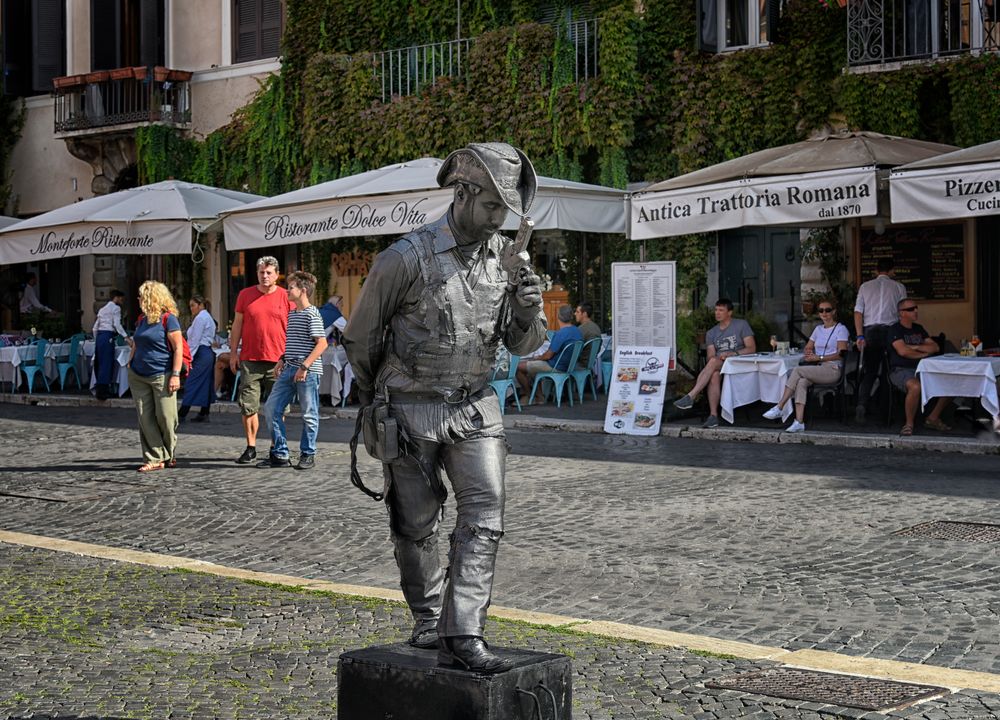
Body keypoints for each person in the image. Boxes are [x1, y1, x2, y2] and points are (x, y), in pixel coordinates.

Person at [343, 141, 547, 674]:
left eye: (506, 211)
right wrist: (372, 403)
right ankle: (429, 618)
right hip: (409, 408)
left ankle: (465, 631)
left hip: (476, 406)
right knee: (415, 525)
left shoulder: (506, 262)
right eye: (492, 208)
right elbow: (362, 338)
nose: (499, 221)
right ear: (463, 194)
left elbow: (523, 346)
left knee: (485, 515)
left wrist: (526, 313)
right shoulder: (403, 259)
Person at [258, 271, 327, 470]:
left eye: (291, 288)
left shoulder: (312, 313)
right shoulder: (293, 313)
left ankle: (308, 453)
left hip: (307, 371)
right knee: (271, 408)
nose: (287, 291)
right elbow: (295, 343)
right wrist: (282, 359)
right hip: (289, 368)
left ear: (303, 291)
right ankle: (280, 454)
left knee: (309, 413)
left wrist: (304, 367)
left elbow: (321, 344)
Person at [229, 256, 294, 464]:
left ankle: (276, 447)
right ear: (257, 273)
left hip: (279, 360)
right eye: (261, 272)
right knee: (248, 405)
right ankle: (251, 447)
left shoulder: (286, 296)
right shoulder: (245, 295)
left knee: (278, 407)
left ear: (277, 275)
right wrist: (233, 352)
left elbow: (294, 327)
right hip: (250, 358)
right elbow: (237, 325)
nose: (264, 276)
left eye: (269, 273)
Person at [762, 298, 850, 433]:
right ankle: (799, 422)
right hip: (819, 368)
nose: (824, 313)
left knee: (797, 370)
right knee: (802, 382)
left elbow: (841, 354)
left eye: (827, 310)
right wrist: (809, 352)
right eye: (821, 310)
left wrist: (819, 357)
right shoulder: (818, 329)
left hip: (833, 368)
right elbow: (808, 347)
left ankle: (780, 406)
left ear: (834, 312)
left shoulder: (841, 329)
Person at [127, 281, 184, 472]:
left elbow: (178, 348)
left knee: (166, 417)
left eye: (142, 296)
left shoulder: (169, 319)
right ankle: (154, 457)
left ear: (152, 298)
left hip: (162, 374)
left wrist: (175, 375)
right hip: (138, 374)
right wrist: (130, 360)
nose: (138, 299)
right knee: (145, 418)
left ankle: (169, 452)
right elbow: (137, 341)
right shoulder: (142, 319)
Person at [674, 298, 756, 428]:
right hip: (720, 363)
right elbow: (711, 356)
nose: (717, 313)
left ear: (729, 313)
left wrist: (731, 354)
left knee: (713, 366)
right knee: (714, 375)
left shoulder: (741, 325)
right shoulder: (711, 333)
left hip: (738, 363)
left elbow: (751, 348)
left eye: (721, 310)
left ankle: (691, 395)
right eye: (716, 310)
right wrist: (719, 358)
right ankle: (713, 416)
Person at [887, 298, 951, 436]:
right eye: (910, 309)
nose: (915, 311)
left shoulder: (919, 328)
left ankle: (933, 418)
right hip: (900, 369)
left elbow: (935, 346)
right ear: (901, 313)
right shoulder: (895, 329)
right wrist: (923, 354)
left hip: (923, 369)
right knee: (915, 387)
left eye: (916, 308)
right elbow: (903, 351)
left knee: (949, 383)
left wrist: (915, 346)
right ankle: (909, 424)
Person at [854, 257, 907, 422]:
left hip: (870, 332)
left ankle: (862, 404)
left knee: (869, 372)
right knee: (887, 372)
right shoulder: (899, 287)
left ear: (876, 271)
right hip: (891, 332)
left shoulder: (865, 287)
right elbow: (903, 312)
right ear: (892, 271)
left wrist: (859, 335)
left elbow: (858, 313)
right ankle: (885, 413)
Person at [515, 304, 582, 399]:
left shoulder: (560, 334)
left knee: (518, 367)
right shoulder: (577, 331)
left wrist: (538, 357)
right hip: (569, 366)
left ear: (558, 316)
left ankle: (529, 396)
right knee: (532, 366)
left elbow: (548, 356)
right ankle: (539, 396)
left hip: (556, 366)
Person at [179, 295, 216, 423]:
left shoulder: (201, 318)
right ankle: (204, 412)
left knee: (192, 382)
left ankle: (182, 413)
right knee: (205, 383)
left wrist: (187, 357)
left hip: (200, 352)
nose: (191, 309)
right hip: (205, 353)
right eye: (190, 306)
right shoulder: (206, 317)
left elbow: (194, 340)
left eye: (193, 305)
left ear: (200, 305)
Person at [92, 289, 127, 401]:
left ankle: (99, 389)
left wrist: (96, 338)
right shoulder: (116, 308)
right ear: (116, 297)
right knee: (107, 363)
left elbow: (94, 328)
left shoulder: (102, 309)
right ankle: (103, 392)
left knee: (99, 362)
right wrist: (126, 337)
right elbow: (117, 325)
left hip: (100, 337)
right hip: (108, 336)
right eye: (121, 298)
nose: (122, 301)